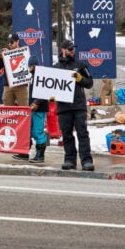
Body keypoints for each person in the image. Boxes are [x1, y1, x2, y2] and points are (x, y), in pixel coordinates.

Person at [53, 39, 95, 171]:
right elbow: (50, 86)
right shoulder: (55, 68)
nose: (72, 51)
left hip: (78, 105)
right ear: (63, 50)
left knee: (82, 133)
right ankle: (70, 160)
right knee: (66, 134)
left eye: (73, 49)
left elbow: (90, 82)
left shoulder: (80, 65)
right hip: (63, 107)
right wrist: (50, 96)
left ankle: (86, 161)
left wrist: (81, 79)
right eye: (70, 49)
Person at [0, 33, 28, 106]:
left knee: (24, 108)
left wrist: (13, 53)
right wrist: (0, 57)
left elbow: (28, 65)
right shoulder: (6, 53)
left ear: (17, 41)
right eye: (8, 42)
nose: (9, 44)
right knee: (7, 109)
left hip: (21, 85)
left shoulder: (24, 51)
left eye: (11, 42)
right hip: (8, 85)